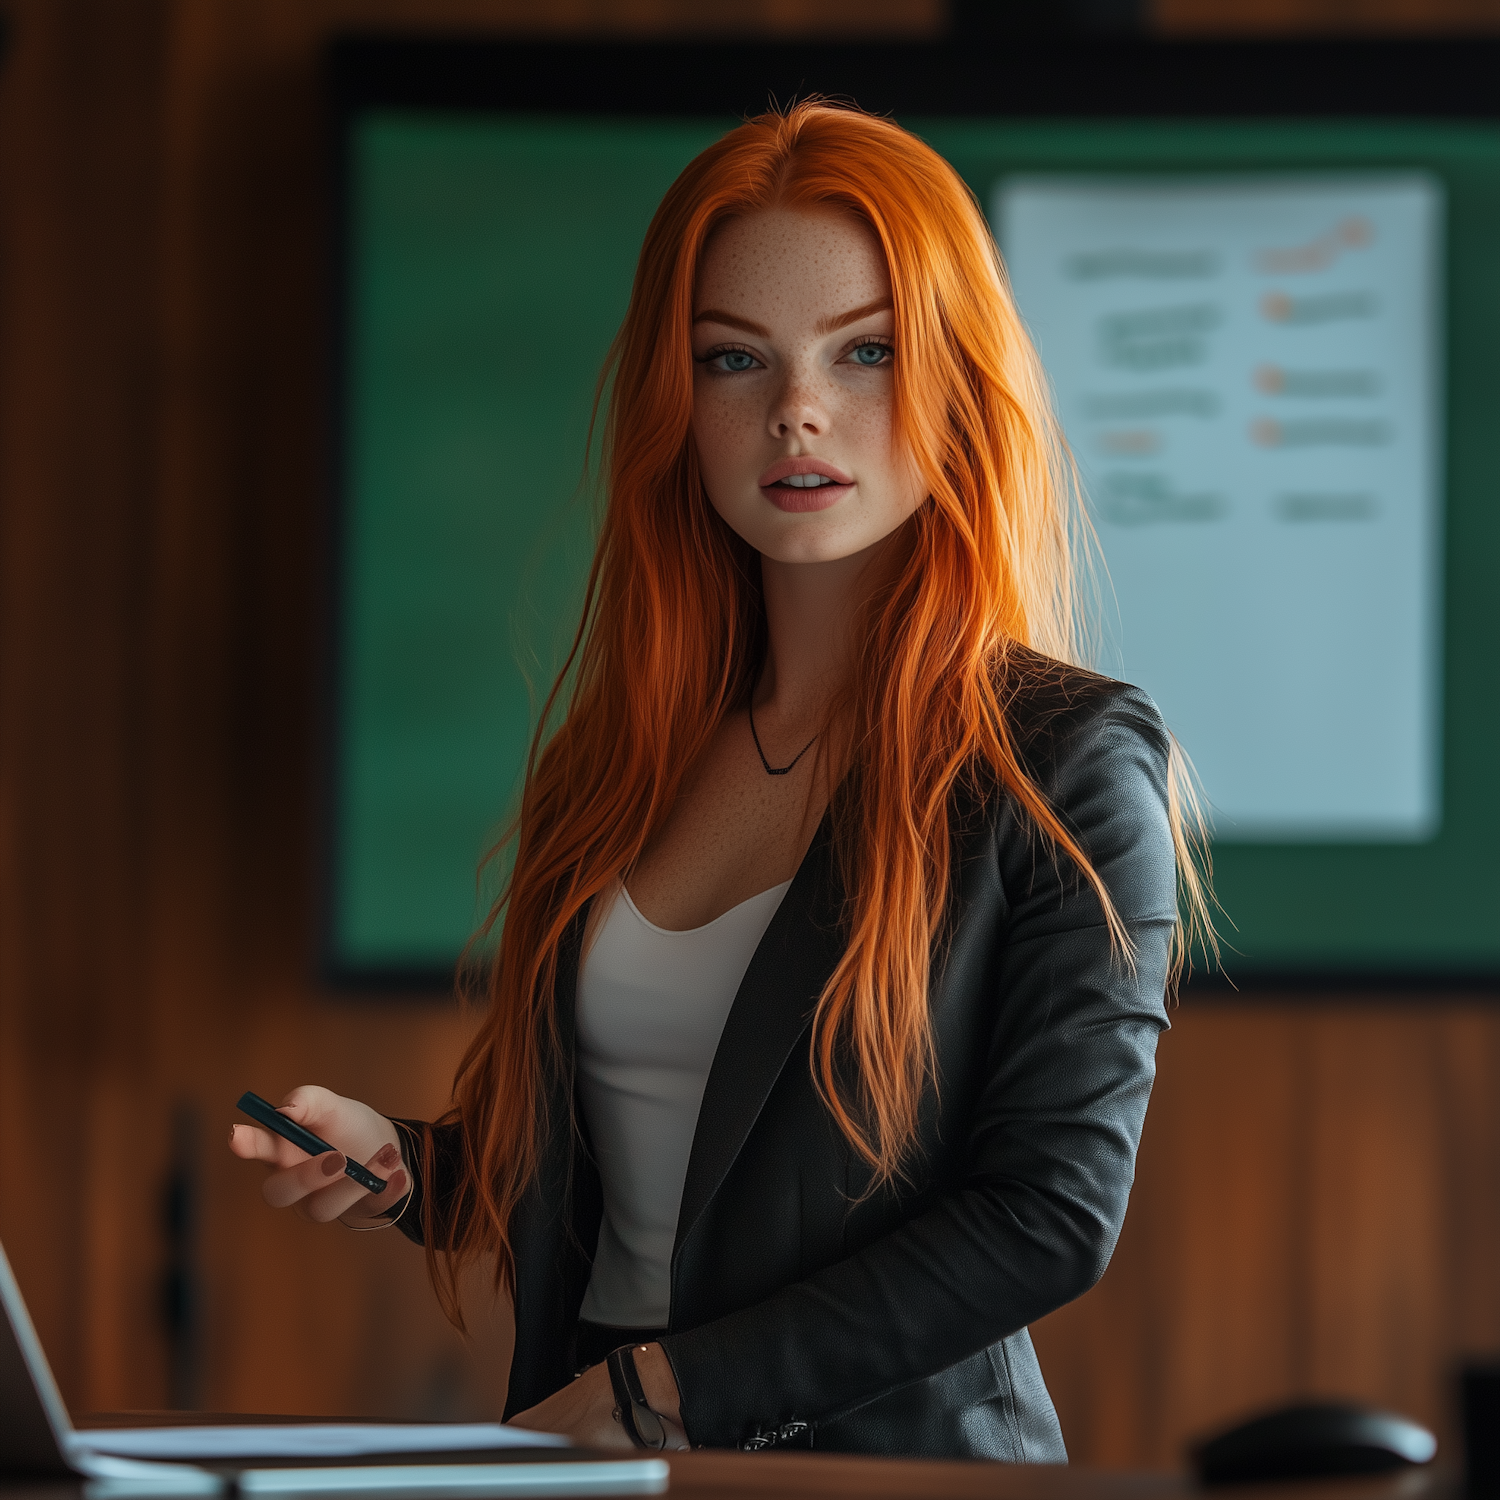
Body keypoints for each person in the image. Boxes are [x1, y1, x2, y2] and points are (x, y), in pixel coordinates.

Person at [230, 100, 1210, 1460]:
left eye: (865, 350)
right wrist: (412, 1173)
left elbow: (1048, 1214)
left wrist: (661, 1395)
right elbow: (651, 1168)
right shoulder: (631, 752)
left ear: (957, 381)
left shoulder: (1064, 761)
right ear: (678, 404)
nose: (798, 408)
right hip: (599, 1463)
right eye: (734, 360)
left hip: (884, 1481)